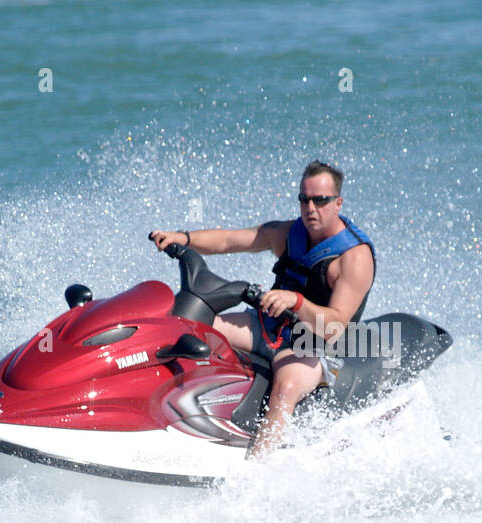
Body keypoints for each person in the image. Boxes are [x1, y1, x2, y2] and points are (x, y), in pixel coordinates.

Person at [149, 160, 375, 456]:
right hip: (270, 328)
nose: (310, 209)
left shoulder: (354, 258)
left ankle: (257, 473)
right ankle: (165, 413)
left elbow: (335, 326)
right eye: (304, 199)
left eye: (320, 200)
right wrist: (184, 238)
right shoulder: (288, 233)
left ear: (338, 203)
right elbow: (231, 239)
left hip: (313, 347)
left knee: (286, 390)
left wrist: (297, 302)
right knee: (194, 330)